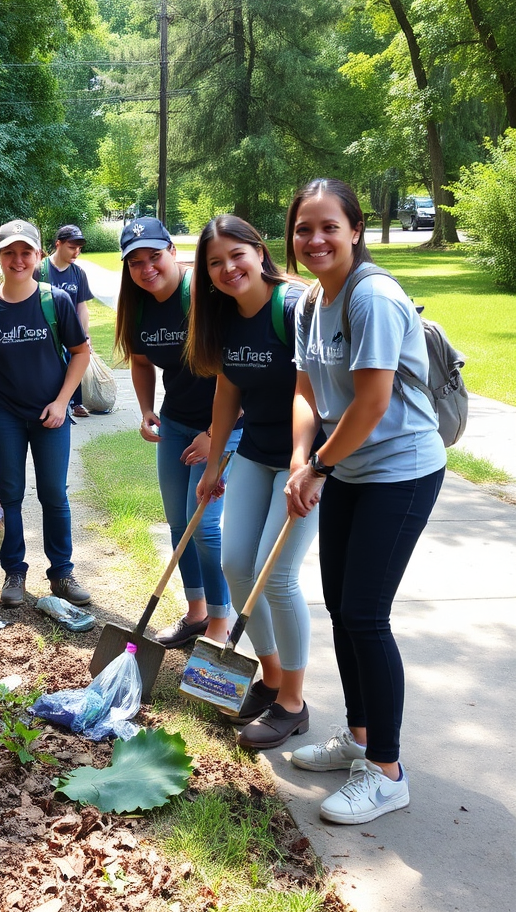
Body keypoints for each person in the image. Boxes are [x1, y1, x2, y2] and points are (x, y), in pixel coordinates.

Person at [284, 178, 446, 824]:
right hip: (345, 469)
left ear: (356, 230)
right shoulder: (309, 304)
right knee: (340, 608)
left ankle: (386, 770)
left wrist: (320, 465)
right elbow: (306, 392)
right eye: (304, 228)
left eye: (329, 226)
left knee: (365, 614)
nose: (316, 239)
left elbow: (374, 404)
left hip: (400, 470)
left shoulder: (371, 296)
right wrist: (303, 459)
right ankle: (356, 737)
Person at [186, 215, 320, 749]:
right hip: (255, 455)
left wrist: (304, 463)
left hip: (306, 460)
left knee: (278, 575)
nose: (227, 269)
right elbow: (226, 394)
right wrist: (214, 464)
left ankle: (294, 702)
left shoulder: (293, 308)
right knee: (237, 565)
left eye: (235, 255)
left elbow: (309, 391)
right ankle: (268, 679)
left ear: (258, 251)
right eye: (215, 262)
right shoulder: (220, 317)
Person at [114, 217, 241, 649]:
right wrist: (148, 409)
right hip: (175, 423)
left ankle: (220, 626)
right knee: (177, 521)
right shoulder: (140, 304)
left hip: (225, 427)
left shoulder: (204, 297)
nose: (146, 268)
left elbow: (242, 367)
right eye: (135, 262)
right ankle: (196, 613)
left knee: (203, 526)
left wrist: (214, 434)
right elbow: (141, 360)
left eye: (154, 256)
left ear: (172, 250)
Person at [0, 219, 91, 608]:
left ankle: (62, 573)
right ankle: (14, 571)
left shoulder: (57, 302)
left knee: (54, 494)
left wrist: (63, 401)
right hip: (4, 413)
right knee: (11, 495)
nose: (18, 260)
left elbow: (81, 354)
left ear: (39, 256)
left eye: (26, 252)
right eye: (9, 253)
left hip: (50, 415)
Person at [36, 225, 94, 417]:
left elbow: (81, 307)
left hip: (70, 330)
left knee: (75, 360)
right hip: (44, 330)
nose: (76, 252)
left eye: (79, 247)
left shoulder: (78, 274)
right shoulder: (40, 270)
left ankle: (76, 403)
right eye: (72, 247)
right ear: (58, 244)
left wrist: (85, 335)